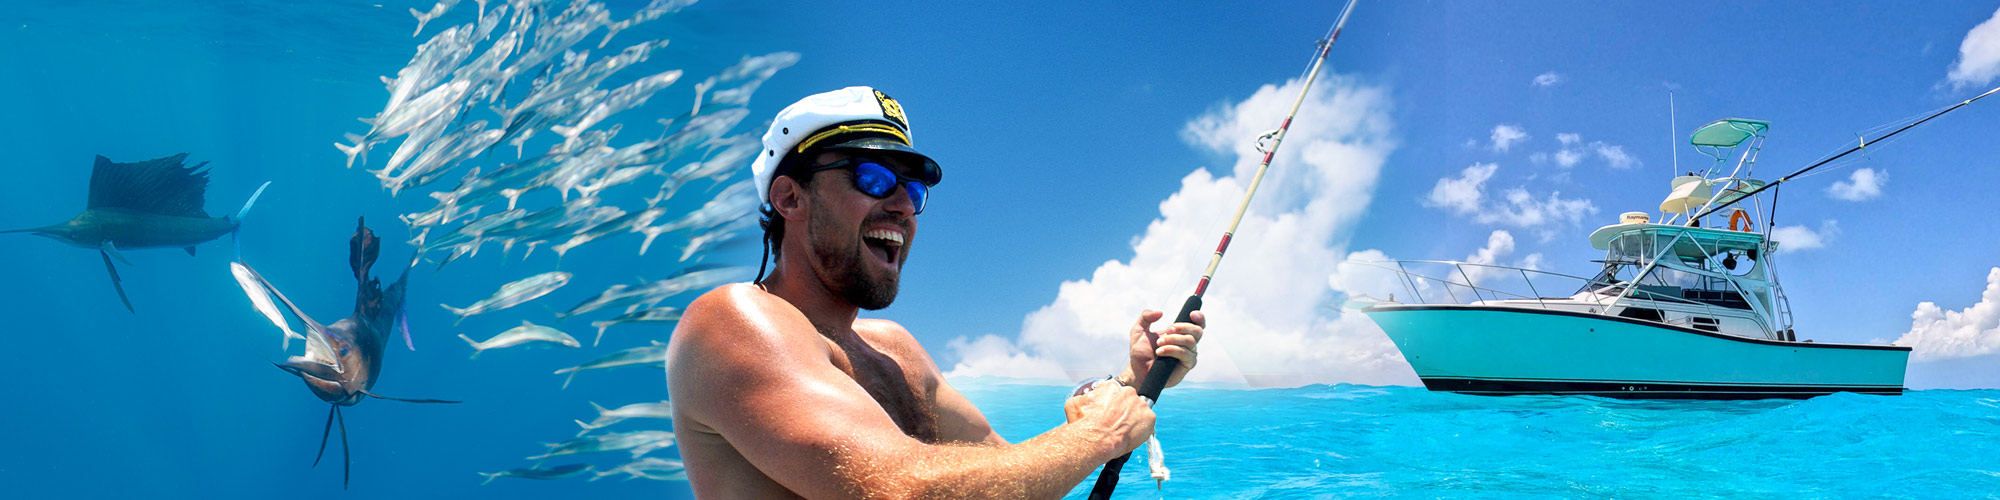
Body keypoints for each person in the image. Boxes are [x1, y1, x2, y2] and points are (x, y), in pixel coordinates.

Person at [666, 86, 1206, 498]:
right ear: (789, 197)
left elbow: (1007, 474)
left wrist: (1128, 383)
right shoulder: (729, 321)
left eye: (913, 188)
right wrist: (1097, 435)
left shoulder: (893, 349)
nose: (902, 204)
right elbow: (896, 488)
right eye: (873, 178)